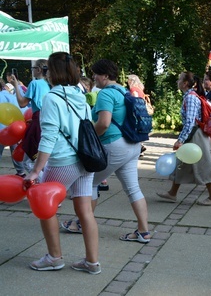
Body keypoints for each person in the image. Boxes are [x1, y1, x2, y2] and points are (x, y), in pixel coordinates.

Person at [24, 52, 100, 274]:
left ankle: (54, 258)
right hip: (85, 160)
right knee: (85, 210)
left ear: (52, 72)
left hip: (62, 162)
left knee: (46, 208)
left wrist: (36, 170)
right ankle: (92, 262)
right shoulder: (81, 94)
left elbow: (48, 137)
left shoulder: (52, 98)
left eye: (46, 69)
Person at [61, 59, 151, 243]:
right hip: (132, 145)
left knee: (88, 183)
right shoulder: (124, 91)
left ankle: (81, 224)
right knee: (133, 189)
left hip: (114, 145)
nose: (93, 78)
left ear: (105, 75)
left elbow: (103, 123)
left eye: (95, 74)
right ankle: (144, 232)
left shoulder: (106, 94)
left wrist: (88, 138)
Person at [156, 71, 211, 206]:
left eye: (179, 79)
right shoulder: (191, 96)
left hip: (196, 136)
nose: (177, 81)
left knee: (204, 165)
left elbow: (190, 122)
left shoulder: (190, 97)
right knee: (180, 164)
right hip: (195, 135)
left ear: (185, 83)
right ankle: (172, 193)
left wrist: (180, 140)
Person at [9, 59, 51, 169]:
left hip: (38, 121)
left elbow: (22, 103)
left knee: (29, 161)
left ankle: (42, 182)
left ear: (39, 69)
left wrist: (16, 86)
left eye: (33, 68)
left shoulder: (34, 83)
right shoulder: (49, 84)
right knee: (43, 156)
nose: (32, 70)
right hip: (47, 119)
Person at [0, 79, 26, 177]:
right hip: (14, 129)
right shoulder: (11, 96)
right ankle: (21, 172)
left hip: (1, 130)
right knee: (15, 152)